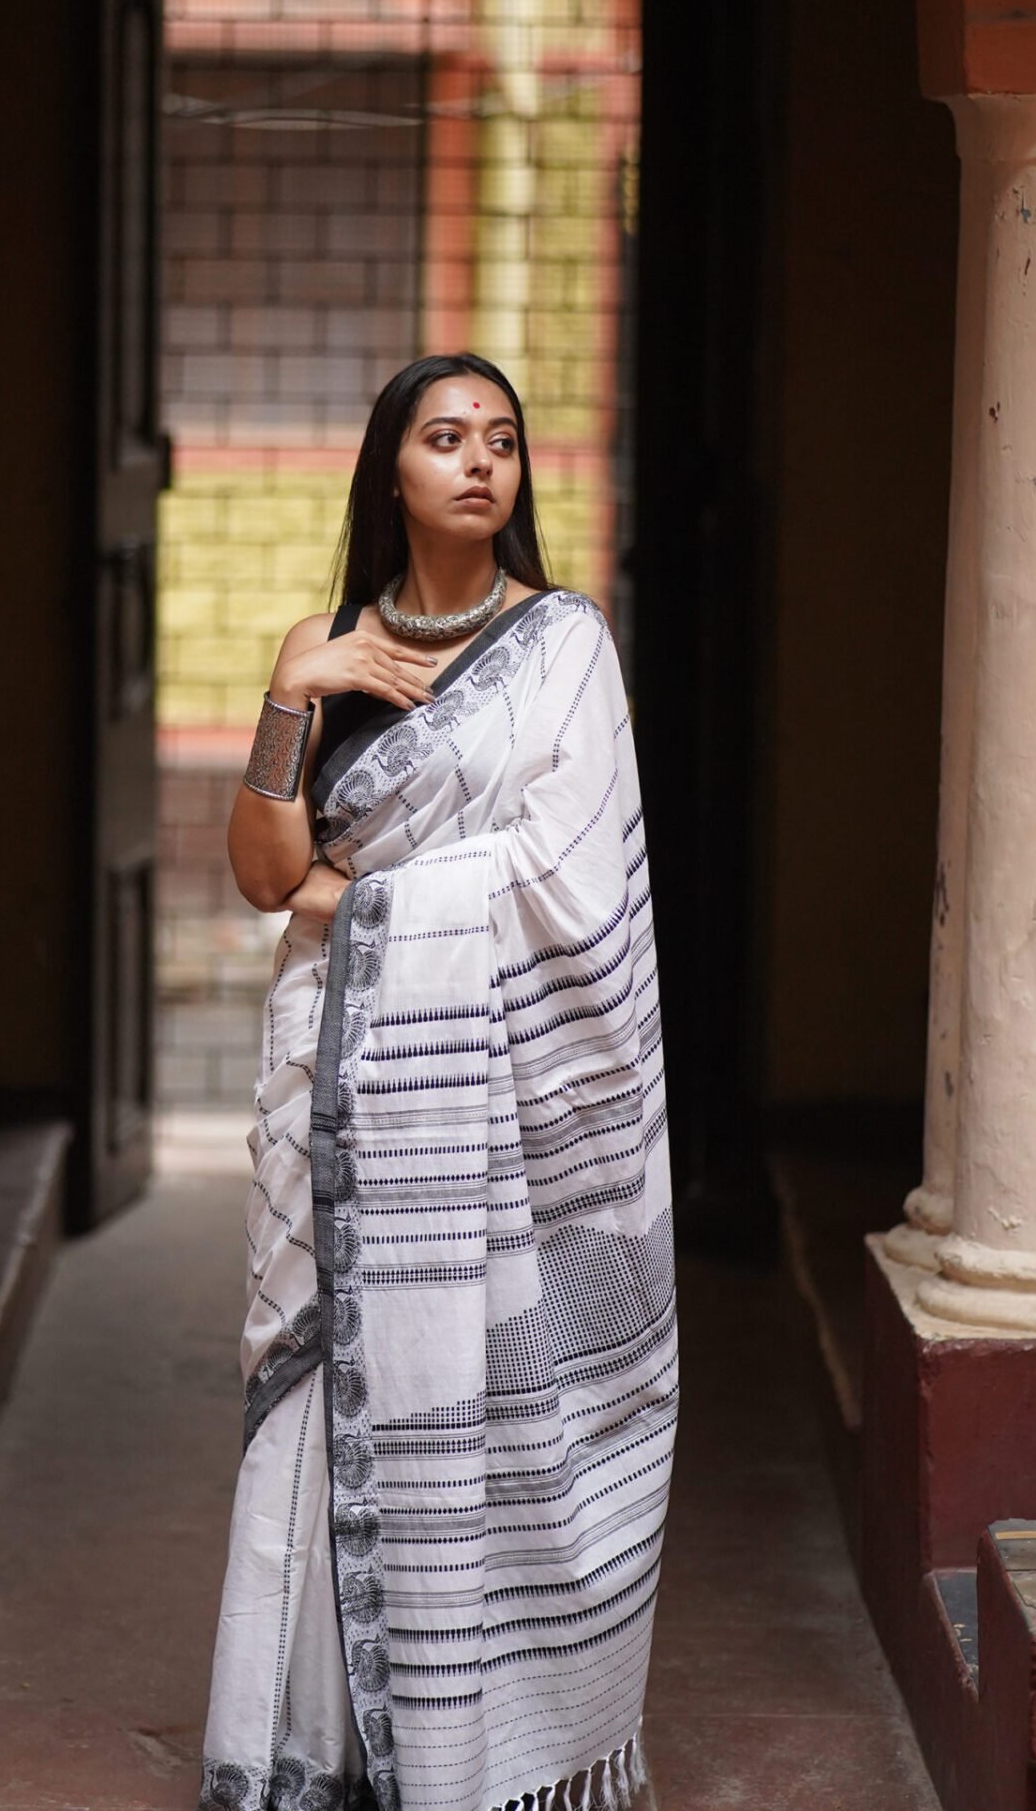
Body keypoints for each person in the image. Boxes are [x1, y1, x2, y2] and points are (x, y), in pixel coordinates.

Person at [200, 353, 677, 1811]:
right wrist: (297, 686)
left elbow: (571, 887)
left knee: (485, 1397)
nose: (480, 462)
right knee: (327, 1388)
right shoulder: (326, 645)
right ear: (389, 469)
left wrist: (367, 895)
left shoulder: (566, 648)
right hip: (343, 1083)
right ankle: (317, 1749)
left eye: (504, 441)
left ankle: (485, 1748)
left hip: (497, 1094)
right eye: (445, 437)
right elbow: (264, 872)